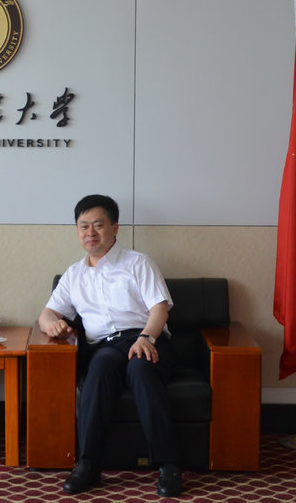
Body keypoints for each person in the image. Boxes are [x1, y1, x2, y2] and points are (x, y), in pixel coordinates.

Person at [38, 194, 183, 497]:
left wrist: (146, 338)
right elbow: (47, 314)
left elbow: (159, 310)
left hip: (147, 338)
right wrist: (52, 324)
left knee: (141, 369)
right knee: (100, 367)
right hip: (105, 347)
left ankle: (168, 465)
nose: (90, 233)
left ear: (115, 228)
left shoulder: (138, 263)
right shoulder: (74, 275)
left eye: (98, 225)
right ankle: (88, 464)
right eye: (83, 226)